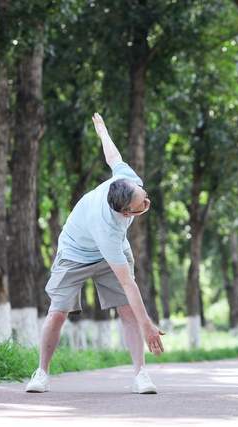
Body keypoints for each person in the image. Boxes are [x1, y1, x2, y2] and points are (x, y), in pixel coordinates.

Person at [26, 113, 165, 394]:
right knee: (58, 313)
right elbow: (128, 283)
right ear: (125, 213)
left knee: (126, 309)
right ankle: (41, 373)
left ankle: (140, 374)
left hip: (110, 251)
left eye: (144, 195)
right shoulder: (107, 228)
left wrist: (102, 132)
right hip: (75, 252)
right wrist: (147, 324)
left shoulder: (128, 180)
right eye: (142, 205)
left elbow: (113, 158)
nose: (146, 201)